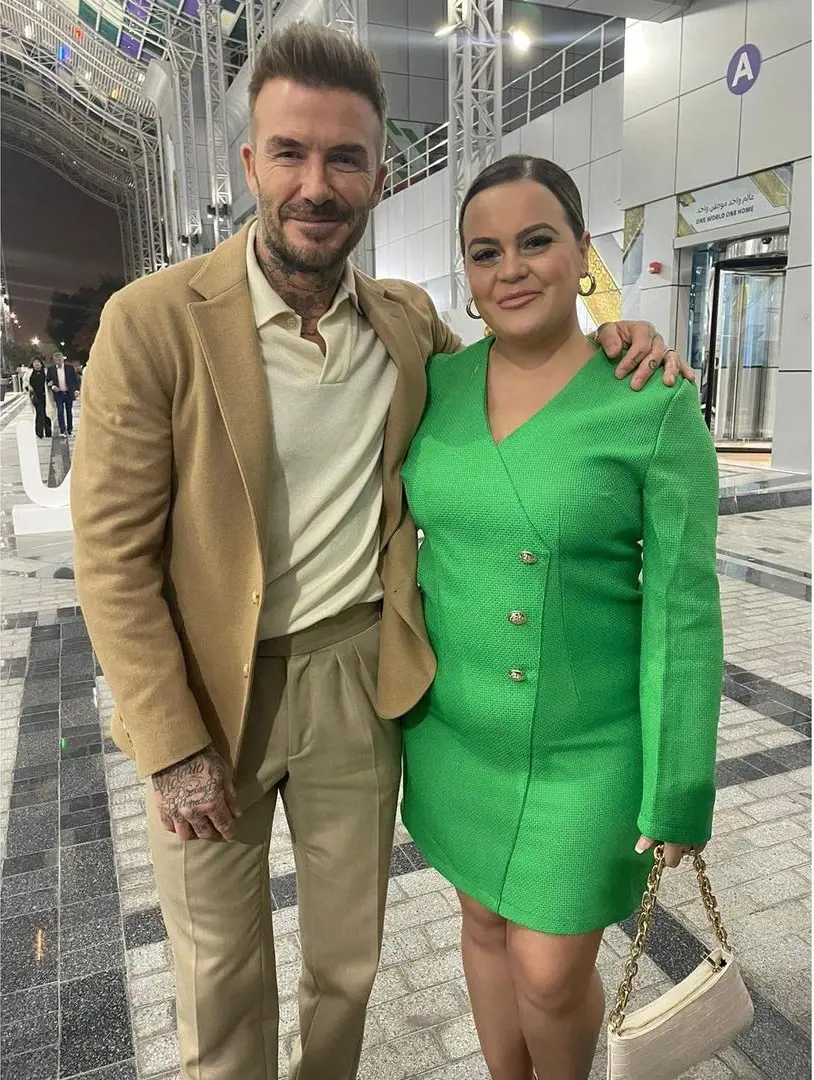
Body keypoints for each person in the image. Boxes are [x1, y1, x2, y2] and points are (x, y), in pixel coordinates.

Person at [71, 24, 694, 1080]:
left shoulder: (406, 327)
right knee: (220, 974)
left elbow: (523, 371)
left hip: (357, 681)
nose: (316, 183)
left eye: (343, 158)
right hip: (206, 694)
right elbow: (111, 554)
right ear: (248, 165)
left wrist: (617, 334)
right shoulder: (153, 323)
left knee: (347, 966)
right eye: (290, 153)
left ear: (379, 174)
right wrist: (169, 743)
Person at [400, 155, 723, 1080]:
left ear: (584, 251)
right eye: (485, 251)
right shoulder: (437, 385)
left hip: (587, 748)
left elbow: (684, 609)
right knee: (480, 921)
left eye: (537, 241)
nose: (512, 269)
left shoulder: (651, 399)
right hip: (454, 734)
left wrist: (680, 786)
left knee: (548, 969)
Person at [47, 351, 81, 437]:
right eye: (56, 360)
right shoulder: (51, 369)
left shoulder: (69, 368)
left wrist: (77, 389)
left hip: (68, 393)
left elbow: (76, 379)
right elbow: (48, 381)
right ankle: (62, 430)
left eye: (60, 360)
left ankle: (70, 430)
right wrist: (53, 387)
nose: (58, 362)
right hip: (58, 394)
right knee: (60, 411)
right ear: (54, 360)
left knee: (69, 411)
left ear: (63, 359)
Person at [28, 356, 52, 438]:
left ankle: (48, 431)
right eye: (35, 363)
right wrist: (29, 387)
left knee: (46, 413)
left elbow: (50, 381)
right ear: (32, 364)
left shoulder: (45, 372)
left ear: (41, 364)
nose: (37, 364)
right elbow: (25, 384)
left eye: (38, 362)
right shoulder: (29, 373)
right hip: (35, 397)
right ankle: (39, 432)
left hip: (45, 396)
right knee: (40, 413)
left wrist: (50, 384)